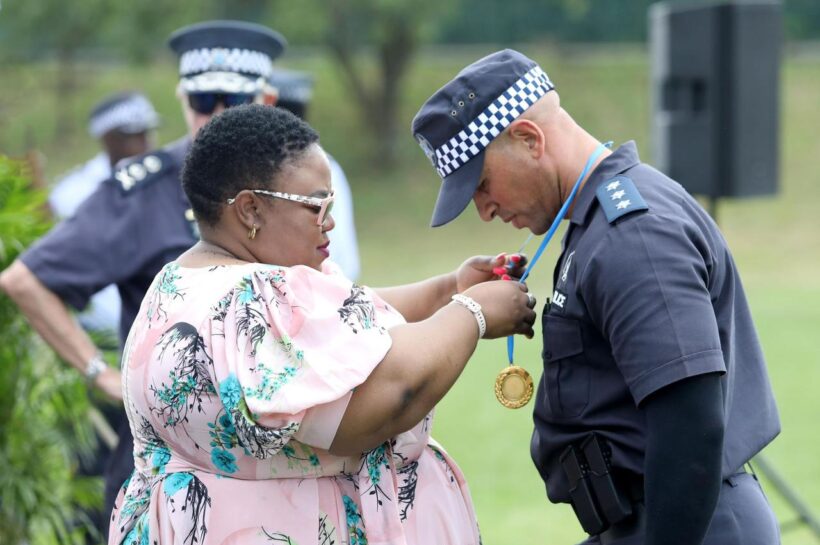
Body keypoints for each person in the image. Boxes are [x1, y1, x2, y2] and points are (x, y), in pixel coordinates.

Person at [107, 104, 536, 545]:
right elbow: (386, 401)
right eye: (316, 205)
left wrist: (447, 289)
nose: (329, 221)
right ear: (250, 210)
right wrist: (471, 314)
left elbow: (339, 319)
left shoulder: (181, 282)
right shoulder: (254, 297)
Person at [411, 49, 781, 545]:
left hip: (689, 526)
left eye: (481, 184)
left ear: (529, 139)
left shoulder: (633, 236)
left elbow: (689, 426)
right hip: (652, 521)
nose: (485, 210)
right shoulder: (600, 223)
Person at [0, 20, 287, 538]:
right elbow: (25, 280)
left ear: (266, 100)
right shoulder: (144, 190)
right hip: (170, 479)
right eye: (203, 99)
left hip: (278, 468)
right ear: (182, 99)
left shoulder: (297, 188)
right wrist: (98, 373)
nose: (217, 116)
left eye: (234, 100)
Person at [50, 91, 160, 336]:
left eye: (147, 133)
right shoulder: (73, 195)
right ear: (108, 138)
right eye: (134, 135)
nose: (145, 143)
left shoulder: (163, 181)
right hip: (97, 332)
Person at [266, 68, 361, 280]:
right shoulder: (328, 165)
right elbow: (346, 257)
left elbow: (338, 249)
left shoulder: (322, 168)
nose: (328, 222)